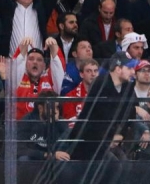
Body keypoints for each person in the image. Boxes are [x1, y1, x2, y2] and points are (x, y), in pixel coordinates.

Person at [55, 52, 139, 183]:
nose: (133, 72)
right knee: (113, 166)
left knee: (124, 166)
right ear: (118, 69)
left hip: (107, 140)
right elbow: (93, 116)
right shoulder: (101, 84)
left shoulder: (127, 86)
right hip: (89, 140)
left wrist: (120, 135)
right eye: (129, 68)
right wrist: (109, 137)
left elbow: (129, 114)